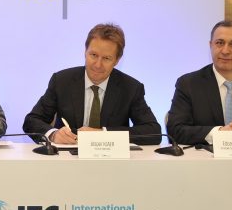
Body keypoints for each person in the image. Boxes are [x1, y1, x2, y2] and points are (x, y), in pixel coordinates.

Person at [23, 23, 161, 145]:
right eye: (93, 55)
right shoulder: (61, 81)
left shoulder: (130, 88)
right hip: (67, 159)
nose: (98, 64)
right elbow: (32, 121)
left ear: (117, 60)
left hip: (112, 161)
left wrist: (103, 134)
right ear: (85, 52)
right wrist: (53, 134)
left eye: (106, 58)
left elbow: (153, 132)